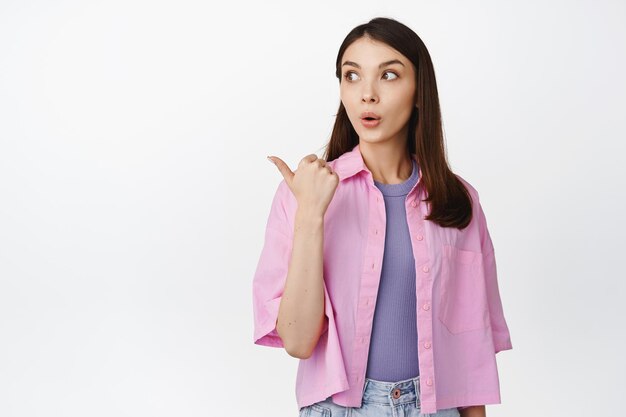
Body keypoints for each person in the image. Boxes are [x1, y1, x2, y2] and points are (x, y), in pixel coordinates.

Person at [252, 17, 513, 417]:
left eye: (389, 75)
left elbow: (470, 352)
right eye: (351, 76)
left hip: (435, 407)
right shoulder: (305, 193)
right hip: (338, 408)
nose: (367, 95)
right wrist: (311, 216)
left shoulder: (458, 201)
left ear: (419, 92)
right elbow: (298, 342)